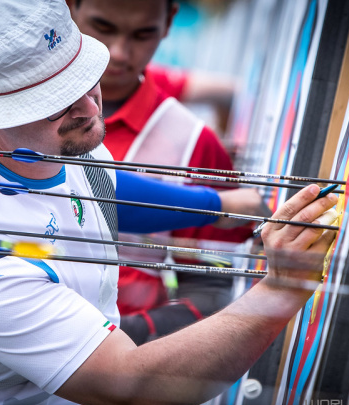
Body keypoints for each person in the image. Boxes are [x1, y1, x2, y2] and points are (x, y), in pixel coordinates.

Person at [0, 1, 337, 405]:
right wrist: (281, 290)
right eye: (53, 103)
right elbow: (135, 390)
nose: (88, 108)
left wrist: (217, 206)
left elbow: (95, 183)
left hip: (35, 393)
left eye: (84, 79)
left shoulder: (36, 142)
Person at [68, 0, 269, 345]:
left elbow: (214, 285)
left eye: (143, 34)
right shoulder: (20, 107)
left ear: (168, 22)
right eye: (103, 27)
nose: (119, 53)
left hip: (114, 372)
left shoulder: (193, 141)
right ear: (71, 7)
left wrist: (134, 332)